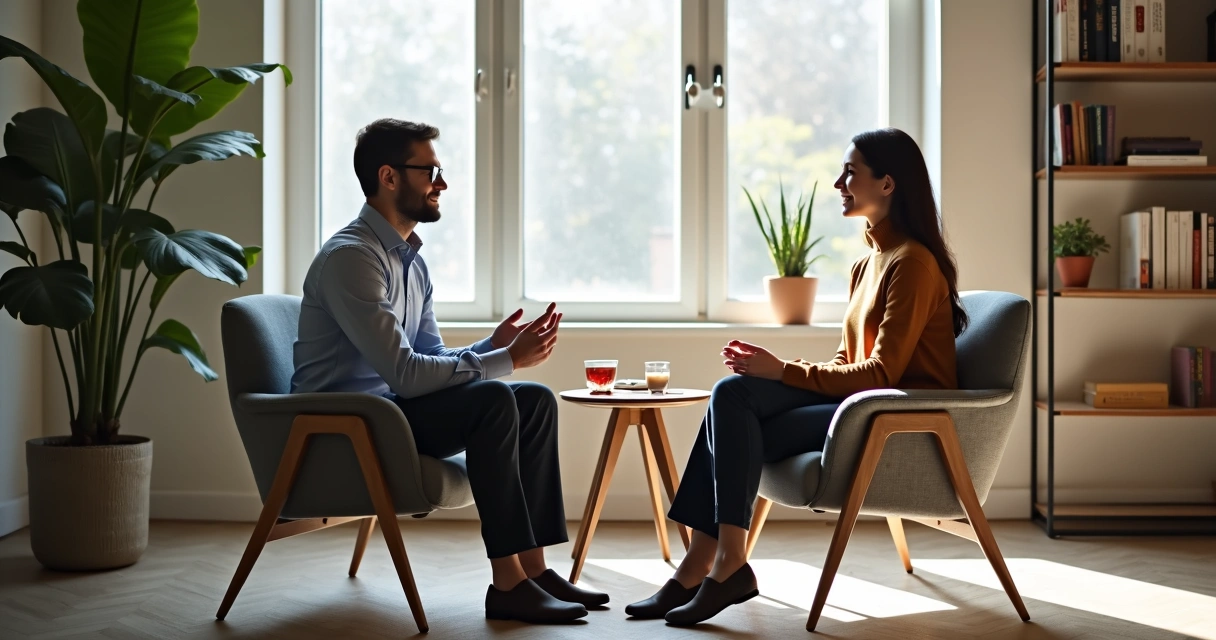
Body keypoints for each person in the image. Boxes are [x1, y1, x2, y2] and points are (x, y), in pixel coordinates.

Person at [626, 127, 968, 626]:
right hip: (859, 405)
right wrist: (771, 370)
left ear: (888, 184)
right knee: (732, 394)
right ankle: (709, 565)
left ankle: (718, 564)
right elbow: (845, 361)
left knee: (737, 416)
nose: (838, 182)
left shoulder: (912, 264)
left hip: (893, 416)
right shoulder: (867, 263)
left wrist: (782, 370)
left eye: (851, 171)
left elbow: (881, 373)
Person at [292, 118, 606, 624]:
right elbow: (408, 375)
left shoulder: (410, 261)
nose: (442, 184)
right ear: (389, 177)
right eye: (431, 171)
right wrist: (503, 360)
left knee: (533, 400)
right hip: (347, 427)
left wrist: (492, 346)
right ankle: (507, 585)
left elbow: (427, 357)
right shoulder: (352, 259)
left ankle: (534, 569)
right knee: (496, 398)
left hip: (392, 412)